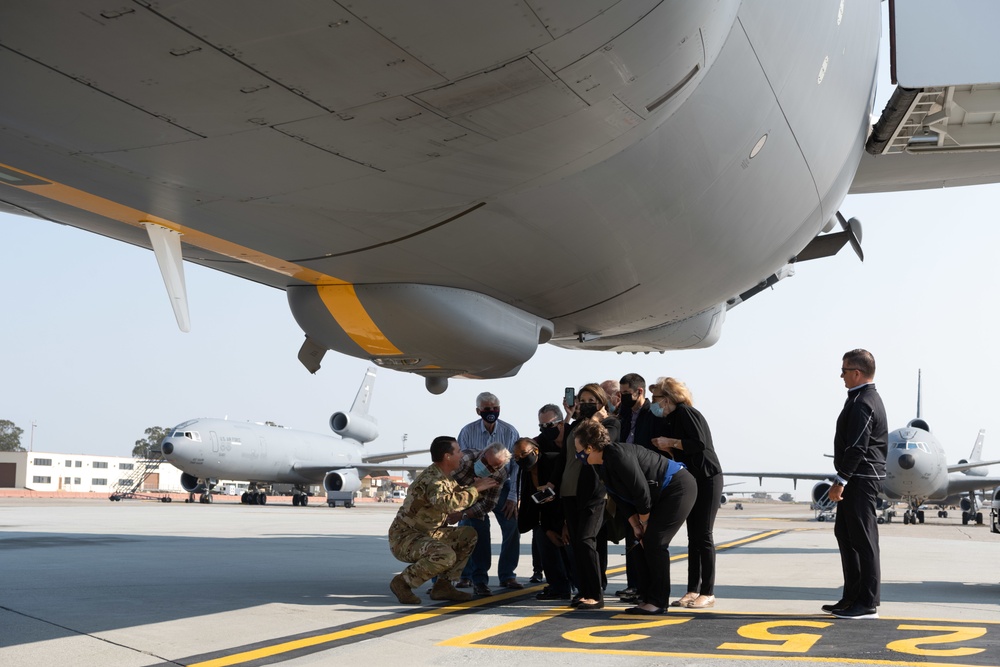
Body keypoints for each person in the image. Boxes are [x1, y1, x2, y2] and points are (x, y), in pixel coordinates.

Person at [574, 419, 696, 615]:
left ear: (589, 448)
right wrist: (635, 525)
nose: (576, 454)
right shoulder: (600, 464)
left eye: (578, 449)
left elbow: (641, 492)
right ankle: (646, 598)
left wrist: (645, 522)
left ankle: (658, 602)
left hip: (677, 487)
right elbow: (619, 496)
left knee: (655, 542)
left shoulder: (617, 455)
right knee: (637, 542)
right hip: (654, 496)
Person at [388, 436, 497, 605]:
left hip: (427, 533)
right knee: (445, 555)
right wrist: (475, 489)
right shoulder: (434, 480)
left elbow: (457, 494)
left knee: (468, 535)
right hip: (405, 538)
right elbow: (446, 503)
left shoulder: (445, 477)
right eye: (458, 451)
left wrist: (478, 488)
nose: (461, 455)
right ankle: (402, 582)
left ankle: (443, 586)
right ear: (447, 456)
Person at [824, 349, 887, 620]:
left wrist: (840, 481)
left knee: (863, 540)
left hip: (860, 480)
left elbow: (858, 447)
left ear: (857, 373)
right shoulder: (859, 398)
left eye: (844, 370)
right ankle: (851, 597)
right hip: (855, 478)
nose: (841, 375)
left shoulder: (864, 401)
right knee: (846, 536)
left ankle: (867, 602)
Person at [650, 377, 724, 609]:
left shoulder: (685, 412)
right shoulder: (672, 418)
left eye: (657, 399)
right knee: (693, 536)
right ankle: (693, 589)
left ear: (668, 399)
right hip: (693, 477)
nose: (655, 404)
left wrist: (670, 442)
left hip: (708, 477)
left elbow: (699, 443)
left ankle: (708, 592)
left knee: (704, 535)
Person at [558, 383, 620, 610]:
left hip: (594, 492)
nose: (585, 405)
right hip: (569, 491)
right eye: (582, 400)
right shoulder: (575, 425)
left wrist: (594, 420)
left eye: (590, 401)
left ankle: (596, 593)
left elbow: (601, 445)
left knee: (586, 540)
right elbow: (566, 458)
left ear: (601, 403)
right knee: (577, 544)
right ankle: (584, 591)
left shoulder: (610, 423)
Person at [456, 392, 522, 591]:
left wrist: (513, 496)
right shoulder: (467, 432)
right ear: (478, 411)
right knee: (472, 528)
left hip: (502, 485)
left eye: (495, 408)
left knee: (512, 527)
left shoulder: (510, 432)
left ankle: (507, 575)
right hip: (474, 485)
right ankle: (468, 575)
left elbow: (517, 467)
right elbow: (461, 462)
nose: (491, 412)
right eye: (486, 409)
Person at [615, 372, 658, 603]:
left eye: (625, 394)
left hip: (646, 480)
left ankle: (647, 587)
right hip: (627, 481)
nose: (622, 399)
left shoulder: (652, 414)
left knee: (647, 536)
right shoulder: (622, 415)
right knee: (631, 535)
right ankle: (634, 585)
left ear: (639, 392)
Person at [449, 443, 513, 596]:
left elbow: (489, 503)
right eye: (485, 463)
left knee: (480, 532)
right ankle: (440, 582)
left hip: (475, 506)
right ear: (482, 453)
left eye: (493, 468)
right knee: (442, 539)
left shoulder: (500, 474)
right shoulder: (464, 459)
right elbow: (442, 484)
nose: (487, 469)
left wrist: (463, 514)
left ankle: (480, 581)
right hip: (449, 500)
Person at [514, 437, 572, 600]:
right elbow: (530, 500)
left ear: (536, 450)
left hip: (565, 514)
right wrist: (546, 528)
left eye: (524, 453)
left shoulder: (554, 461)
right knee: (542, 539)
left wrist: (566, 523)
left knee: (570, 552)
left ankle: (579, 586)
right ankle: (558, 587)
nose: (520, 458)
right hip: (544, 517)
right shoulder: (524, 472)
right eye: (516, 456)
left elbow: (567, 492)